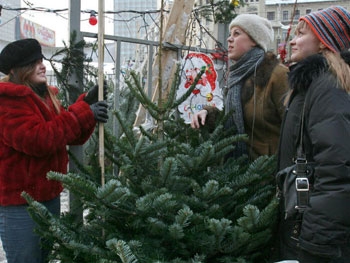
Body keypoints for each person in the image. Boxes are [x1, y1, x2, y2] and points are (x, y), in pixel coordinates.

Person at [0, 38, 108, 263]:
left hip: (49, 196)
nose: (42, 65)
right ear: (17, 70)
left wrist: (87, 106)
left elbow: (67, 134)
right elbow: (39, 140)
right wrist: (83, 112)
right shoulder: (8, 101)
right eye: (33, 62)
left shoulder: (44, 97)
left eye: (41, 60)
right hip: (21, 205)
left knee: (43, 257)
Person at [276, 6, 350, 262]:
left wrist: (316, 242)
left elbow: (338, 169)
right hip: (304, 220)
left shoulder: (328, 87)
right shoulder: (309, 83)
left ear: (323, 42)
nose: (293, 40)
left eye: (302, 33)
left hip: (314, 233)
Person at [191, 14, 289, 160]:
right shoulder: (237, 76)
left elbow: (294, 127)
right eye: (230, 34)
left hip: (268, 172)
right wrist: (208, 114)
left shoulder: (277, 74)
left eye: (237, 34)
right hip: (238, 171)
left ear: (255, 41)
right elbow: (233, 117)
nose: (229, 39)